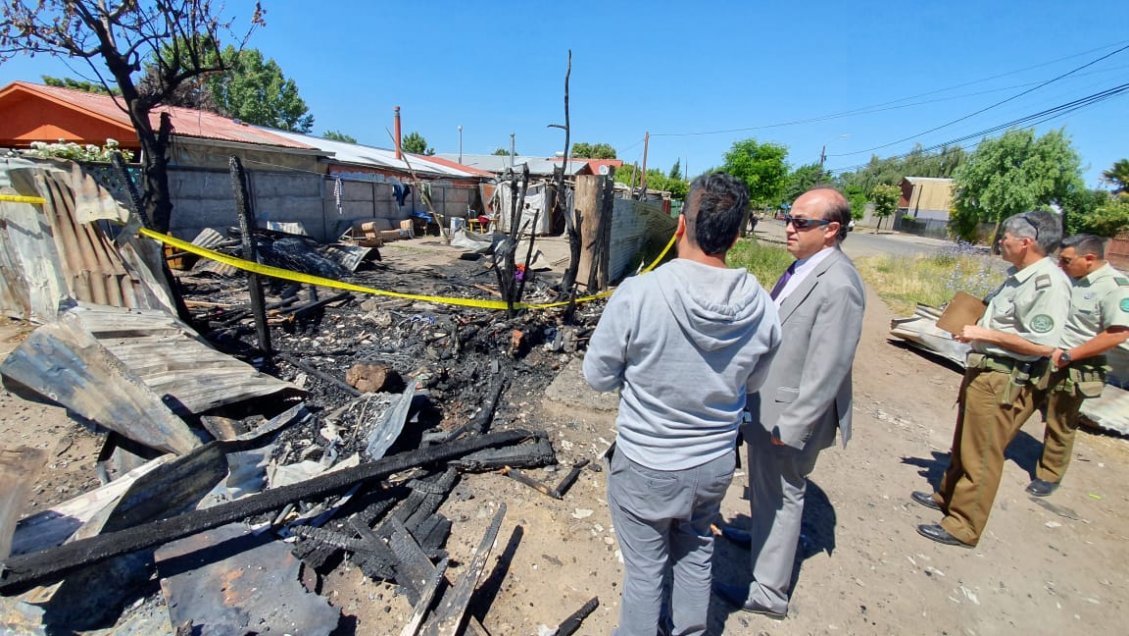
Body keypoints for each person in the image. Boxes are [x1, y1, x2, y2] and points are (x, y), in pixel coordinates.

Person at [583, 172, 781, 636]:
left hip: (647, 463)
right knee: (695, 551)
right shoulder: (764, 307)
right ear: (736, 234)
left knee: (646, 570)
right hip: (712, 464)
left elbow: (596, 377)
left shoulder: (639, 294)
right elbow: (753, 382)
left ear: (680, 225)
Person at [713, 187, 865, 619]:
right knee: (766, 490)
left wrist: (793, 426)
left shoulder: (839, 283)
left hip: (788, 417)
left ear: (832, 230)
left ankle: (768, 591)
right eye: (788, 218)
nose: (789, 228)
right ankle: (761, 542)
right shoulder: (806, 267)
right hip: (769, 405)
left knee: (782, 497)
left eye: (801, 222)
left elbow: (829, 367)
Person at [911, 211, 1071, 548]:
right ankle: (948, 499)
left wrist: (986, 333)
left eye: (1006, 236)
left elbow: (1044, 344)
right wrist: (975, 333)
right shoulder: (1019, 276)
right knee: (965, 444)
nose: (1001, 241)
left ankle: (963, 526)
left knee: (981, 455)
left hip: (1005, 377)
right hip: (986, 368)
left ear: (1027, 242)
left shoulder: (1048, 283)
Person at [1027, 234, 1129, 497]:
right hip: (1046, 356)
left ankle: (1049, 474)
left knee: (1060, 420)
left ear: (1090, 259)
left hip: (1077, 365)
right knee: (1019, 403)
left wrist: (1070, 355)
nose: (1061, 265)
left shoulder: (1115, 287)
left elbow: (1118, 334)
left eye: (1067, 260)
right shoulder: (1070, 278)